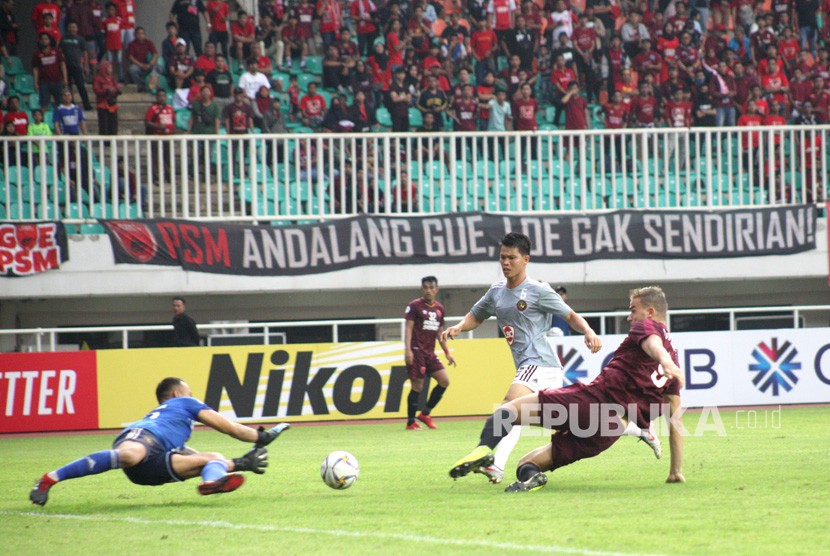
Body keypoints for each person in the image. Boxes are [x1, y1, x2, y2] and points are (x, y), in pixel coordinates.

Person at [448, 286, 685, 493]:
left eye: (633, 310)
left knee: (507, 411)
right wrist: (676, 471)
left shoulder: (648, 328)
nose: (630, 317)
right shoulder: (674, 361)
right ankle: (532, 478)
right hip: (609, 432)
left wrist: (664, 360)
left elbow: (653, 344)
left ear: (650, 312)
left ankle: (483, 450)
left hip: (593, 403)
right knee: (527, 464)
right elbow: (675, 421)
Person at [440, 232, 603, 484]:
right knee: (570, 422)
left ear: (525, 259)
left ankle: (495, 464)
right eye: (502, 257)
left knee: (509, 405)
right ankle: (636, 428)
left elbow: (570, 315)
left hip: (537, 362)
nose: (505, 263)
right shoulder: (496, 292)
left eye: (511, 258)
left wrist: (589, 331)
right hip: (543, 369)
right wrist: (459, 327)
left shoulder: (539, 291)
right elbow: (477, 315)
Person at [29, 377, 290, 506]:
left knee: (212, 457)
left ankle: (210, 483)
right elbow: (229, 427)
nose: (193, 396)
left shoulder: (175, 425)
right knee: (130, 455)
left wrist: (241, 463)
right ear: (177, 394)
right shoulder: (182, 404)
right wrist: (262, 437)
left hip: (152, 467)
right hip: (142, 440)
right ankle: (49, 478)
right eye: (190, 392)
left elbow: (191, 459)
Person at [404, 276, 457, 430]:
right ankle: (411, 422)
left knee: (444, 381)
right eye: (425, 287)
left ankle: (425, 414)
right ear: (422, 289)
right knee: (418, 386)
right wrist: (407, 350)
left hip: (430, 353)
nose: (428, 290)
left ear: (436, 289)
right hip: (416, 351)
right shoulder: (414, 306)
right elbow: (408, 328)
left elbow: (440, 331)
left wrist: (447, 352)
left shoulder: (440, 308)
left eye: (431, 287)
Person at [33, 31, 67, 111]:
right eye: (42, 39)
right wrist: (35, 82)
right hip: (44, 83)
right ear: (40, 41)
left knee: (60, 104)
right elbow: (35, 69)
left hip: (57, 81)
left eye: (46, 39)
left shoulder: (56, 51)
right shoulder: (37, 54)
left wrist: (65, 78)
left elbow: (62, 64)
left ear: (49, 40)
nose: (44, 41)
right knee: (44, 105)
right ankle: (44, 123)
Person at [93, 60, 121, 135]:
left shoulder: (112, 78)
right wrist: (106, 90)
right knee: (104, 125)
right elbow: (97, 90)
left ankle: (113, 139)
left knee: (113, 124)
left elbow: (116, 87)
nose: (110, 70)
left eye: (111, 68)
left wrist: (117, 90)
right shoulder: (98, 78)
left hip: (112, 103)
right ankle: (105, 143)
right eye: (109, 68)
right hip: (103, 104)